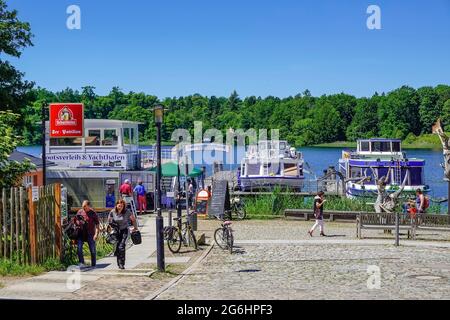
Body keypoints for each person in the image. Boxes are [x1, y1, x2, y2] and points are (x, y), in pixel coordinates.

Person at [108, 199, 138, 269]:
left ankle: (122, 263)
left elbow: (133, 219)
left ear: (123, 206)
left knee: (121, 246)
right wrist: (109, 229)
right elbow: (109, 221)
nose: (120, 207)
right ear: (116, 205)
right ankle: (119, 263)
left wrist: (135, 227)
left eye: (121, 206)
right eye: (119, 206)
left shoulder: (127, 212)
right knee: (118, 248)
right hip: (116, 231)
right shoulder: (112, 212)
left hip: (124, 230)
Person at [74, 200, 99, 268]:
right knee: (79, 248)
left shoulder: (93, 213)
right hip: (81, 233)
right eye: (82, 206)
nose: (83, 207)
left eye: (84, 206)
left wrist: (96, 234)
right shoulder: (80, 211)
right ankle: (81, 263)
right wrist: (78, 222)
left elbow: (97, 224)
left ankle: (93, 264)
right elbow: (76, 219)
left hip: (90, 233)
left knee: (93, 250)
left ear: (88, 206)